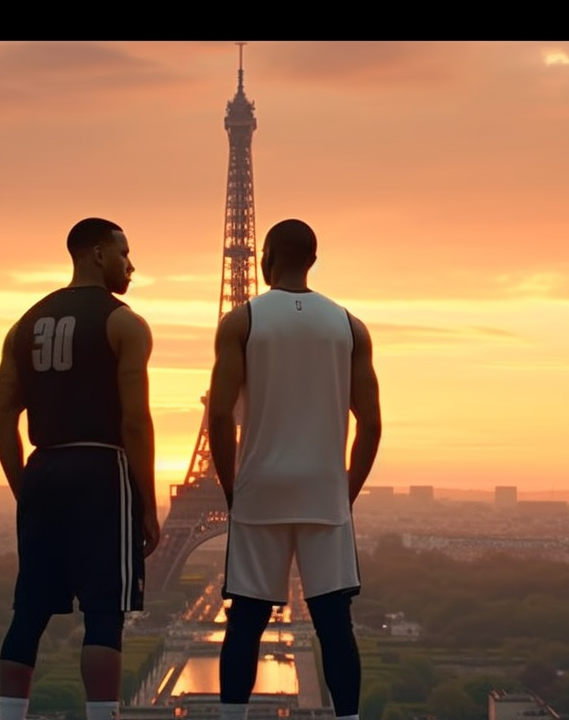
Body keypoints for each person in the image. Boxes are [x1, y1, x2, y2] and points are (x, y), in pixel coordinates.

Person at [207, 218, 382, 720]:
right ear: (313, 259)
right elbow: (369, 424)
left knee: (246, 620)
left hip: (260, 487)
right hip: (323, 491)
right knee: (334, 622)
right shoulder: (350, 326)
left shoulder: (241, 322)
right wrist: (345, 492)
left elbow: (219, 416)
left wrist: (231, 487)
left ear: (265, 256)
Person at [0, 217, 162, 720]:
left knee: (29, 611)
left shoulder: (24, 326)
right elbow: (135, 422)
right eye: (124, 253)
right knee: (104, 611)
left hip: (44, 466)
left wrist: (23, 485)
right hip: (101, 468)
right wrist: (147, 503)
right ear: (97, 254)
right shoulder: (124, 324)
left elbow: (3, 418)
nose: (132, 265)